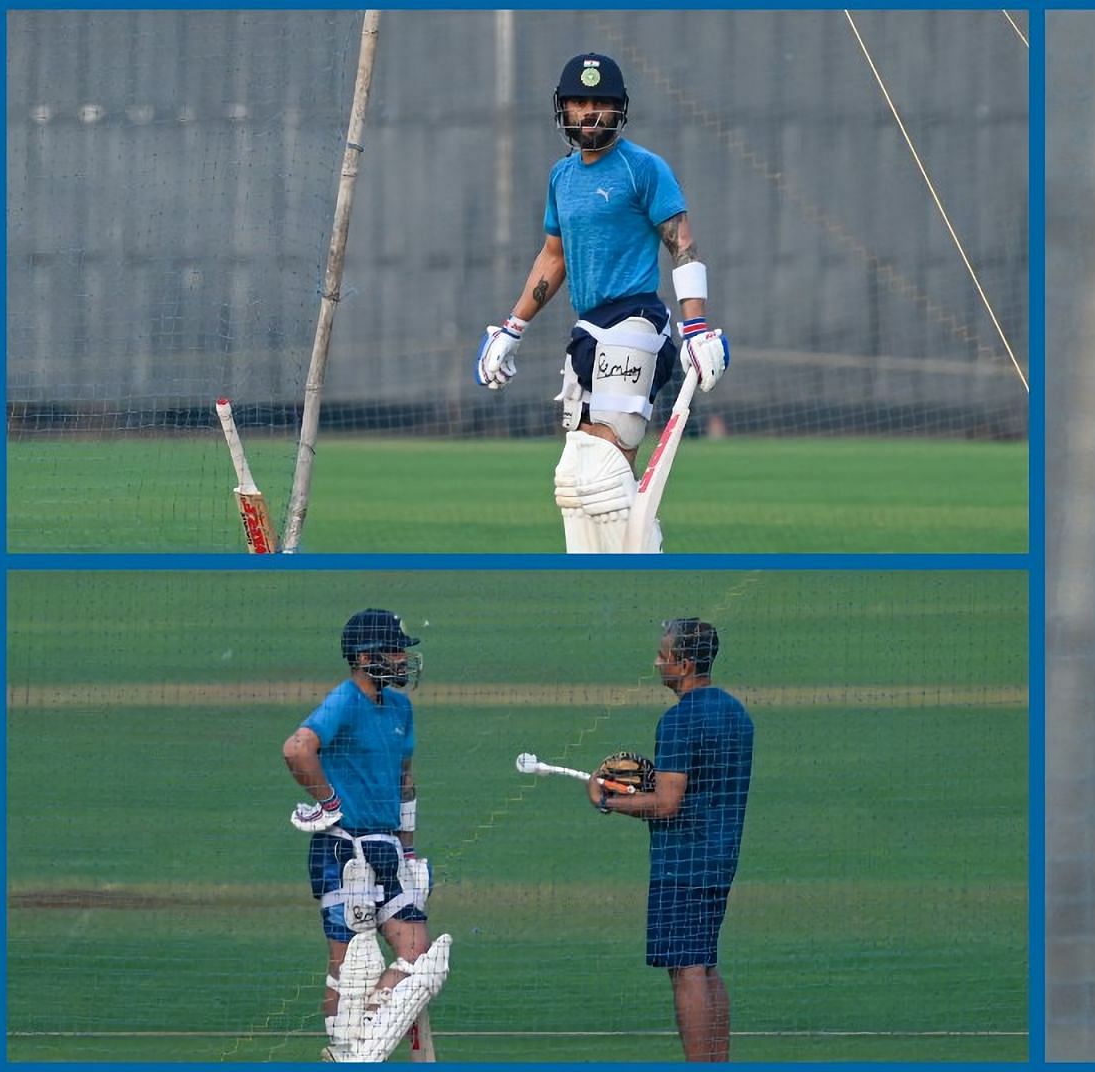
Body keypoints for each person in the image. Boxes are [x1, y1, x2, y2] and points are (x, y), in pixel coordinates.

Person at [475, 52, 731, 553]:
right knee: (575, 482)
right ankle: (594, 583)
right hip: (587, 330)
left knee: (604, 476)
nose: (589, 112)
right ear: (562, 109)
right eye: (579, 102)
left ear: (619, 110)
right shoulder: (561, 177)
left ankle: (647, 573)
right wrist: (512, 328)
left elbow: (682, 243)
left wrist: (696, 327)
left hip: (636, 320)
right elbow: (554, 256)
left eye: (601, 103)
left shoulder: (643, 169)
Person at [283, 608, 450, 1061]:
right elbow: (298, 749)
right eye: (395, 651)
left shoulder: (400, 707)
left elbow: (404, 780)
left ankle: (364, 1043)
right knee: (349, 965)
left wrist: (410, 853)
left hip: (390, 850)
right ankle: (344, 1050)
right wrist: (329, 803)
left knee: (422, 955)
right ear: (365, 656)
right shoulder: (345, 700)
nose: (403, 660)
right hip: (344, 850)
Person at [588, 617, 754, 1061]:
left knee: (687, 971)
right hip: (721, 857)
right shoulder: (736, 712)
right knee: (705, 966)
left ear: (682, 664)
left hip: (682, 863)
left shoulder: (679, 720)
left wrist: (607, 799)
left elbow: (666, 803)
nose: (657, 662)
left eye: (663, 655)